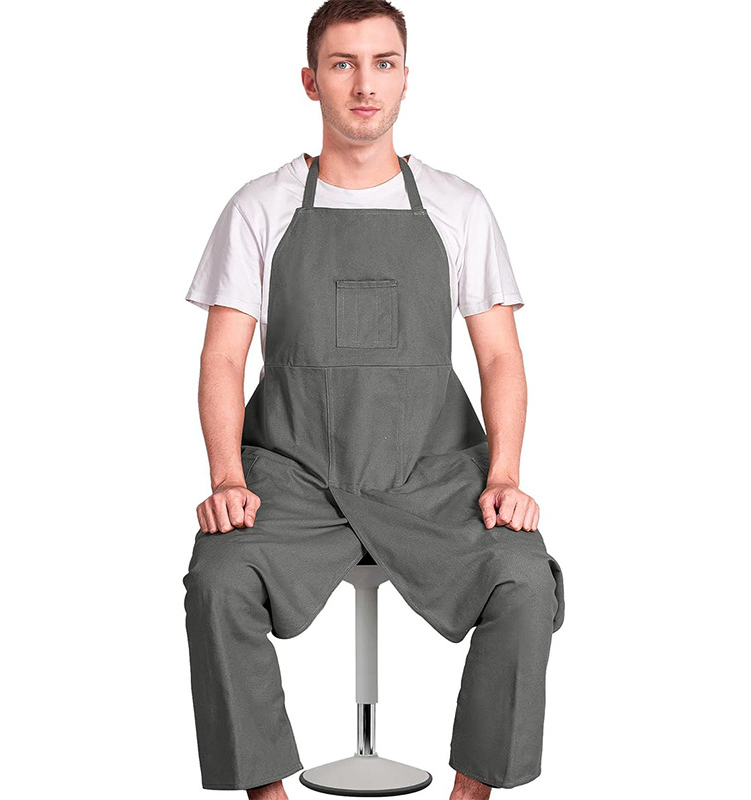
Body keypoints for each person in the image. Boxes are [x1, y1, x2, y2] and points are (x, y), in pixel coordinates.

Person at [182, 2, 565, 797]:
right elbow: (223, 357)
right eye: (343, 64)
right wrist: (227, 479)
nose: (365, 85)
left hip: (432, 473)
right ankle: (265, 793)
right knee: (218, 581)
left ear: (405, 78)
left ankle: (471, 792)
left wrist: (504, 475)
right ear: (310, 81)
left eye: (383, 63)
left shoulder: (460, 206)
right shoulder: (260, 206)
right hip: (291, 474)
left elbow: (500, 355)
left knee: (526, 579)